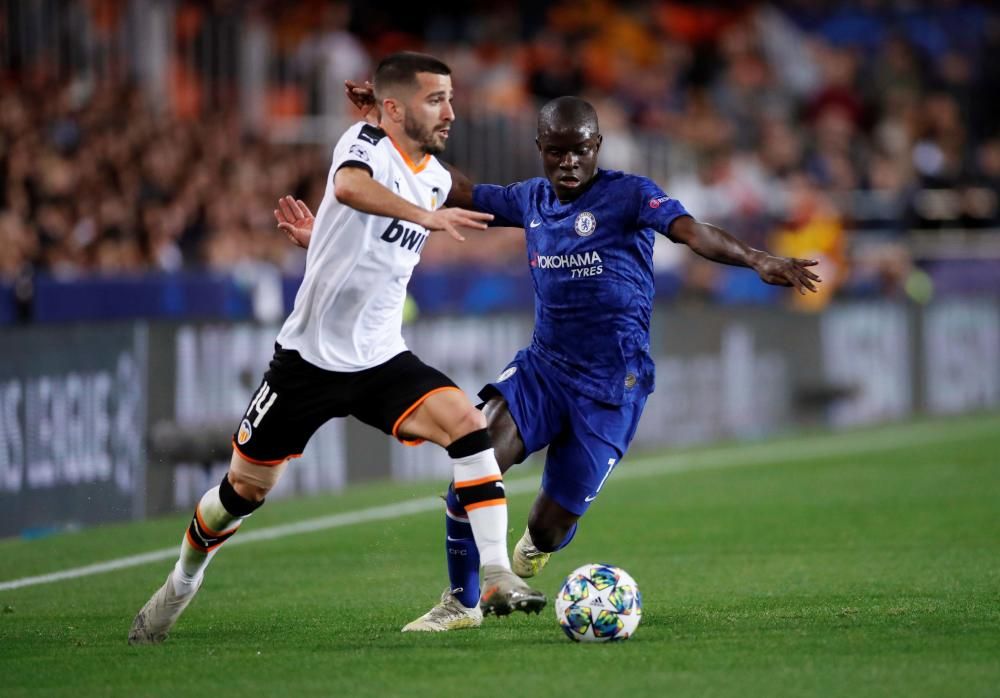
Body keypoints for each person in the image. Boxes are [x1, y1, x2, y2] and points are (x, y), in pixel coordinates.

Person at [277, 89, 820, 632]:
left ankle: (533, 550)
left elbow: (692, 231)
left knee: (551, 525)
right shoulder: (531, 199)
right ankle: (461, 603)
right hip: (543, 370)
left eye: (579, 150)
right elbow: (453, 187)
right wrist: (395, 127)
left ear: (598, 146)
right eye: (555, 151)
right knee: (475, 462)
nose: (568, 162)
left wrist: (757, 258)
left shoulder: (630, 195)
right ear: (539, 148)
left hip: (612, 387)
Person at [127, 52, 547, 646]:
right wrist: (424, 216)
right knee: (242, 492)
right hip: (307, 363)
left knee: (466, 422)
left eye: (451, 98)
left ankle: (495, 573)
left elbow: (360, 233)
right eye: (436, 100)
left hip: (380, 359)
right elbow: (350, 188)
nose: (451, 112)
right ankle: (181, 581)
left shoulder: (433, 173)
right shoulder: (365, 143)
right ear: (395, 107)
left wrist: (318, 238)